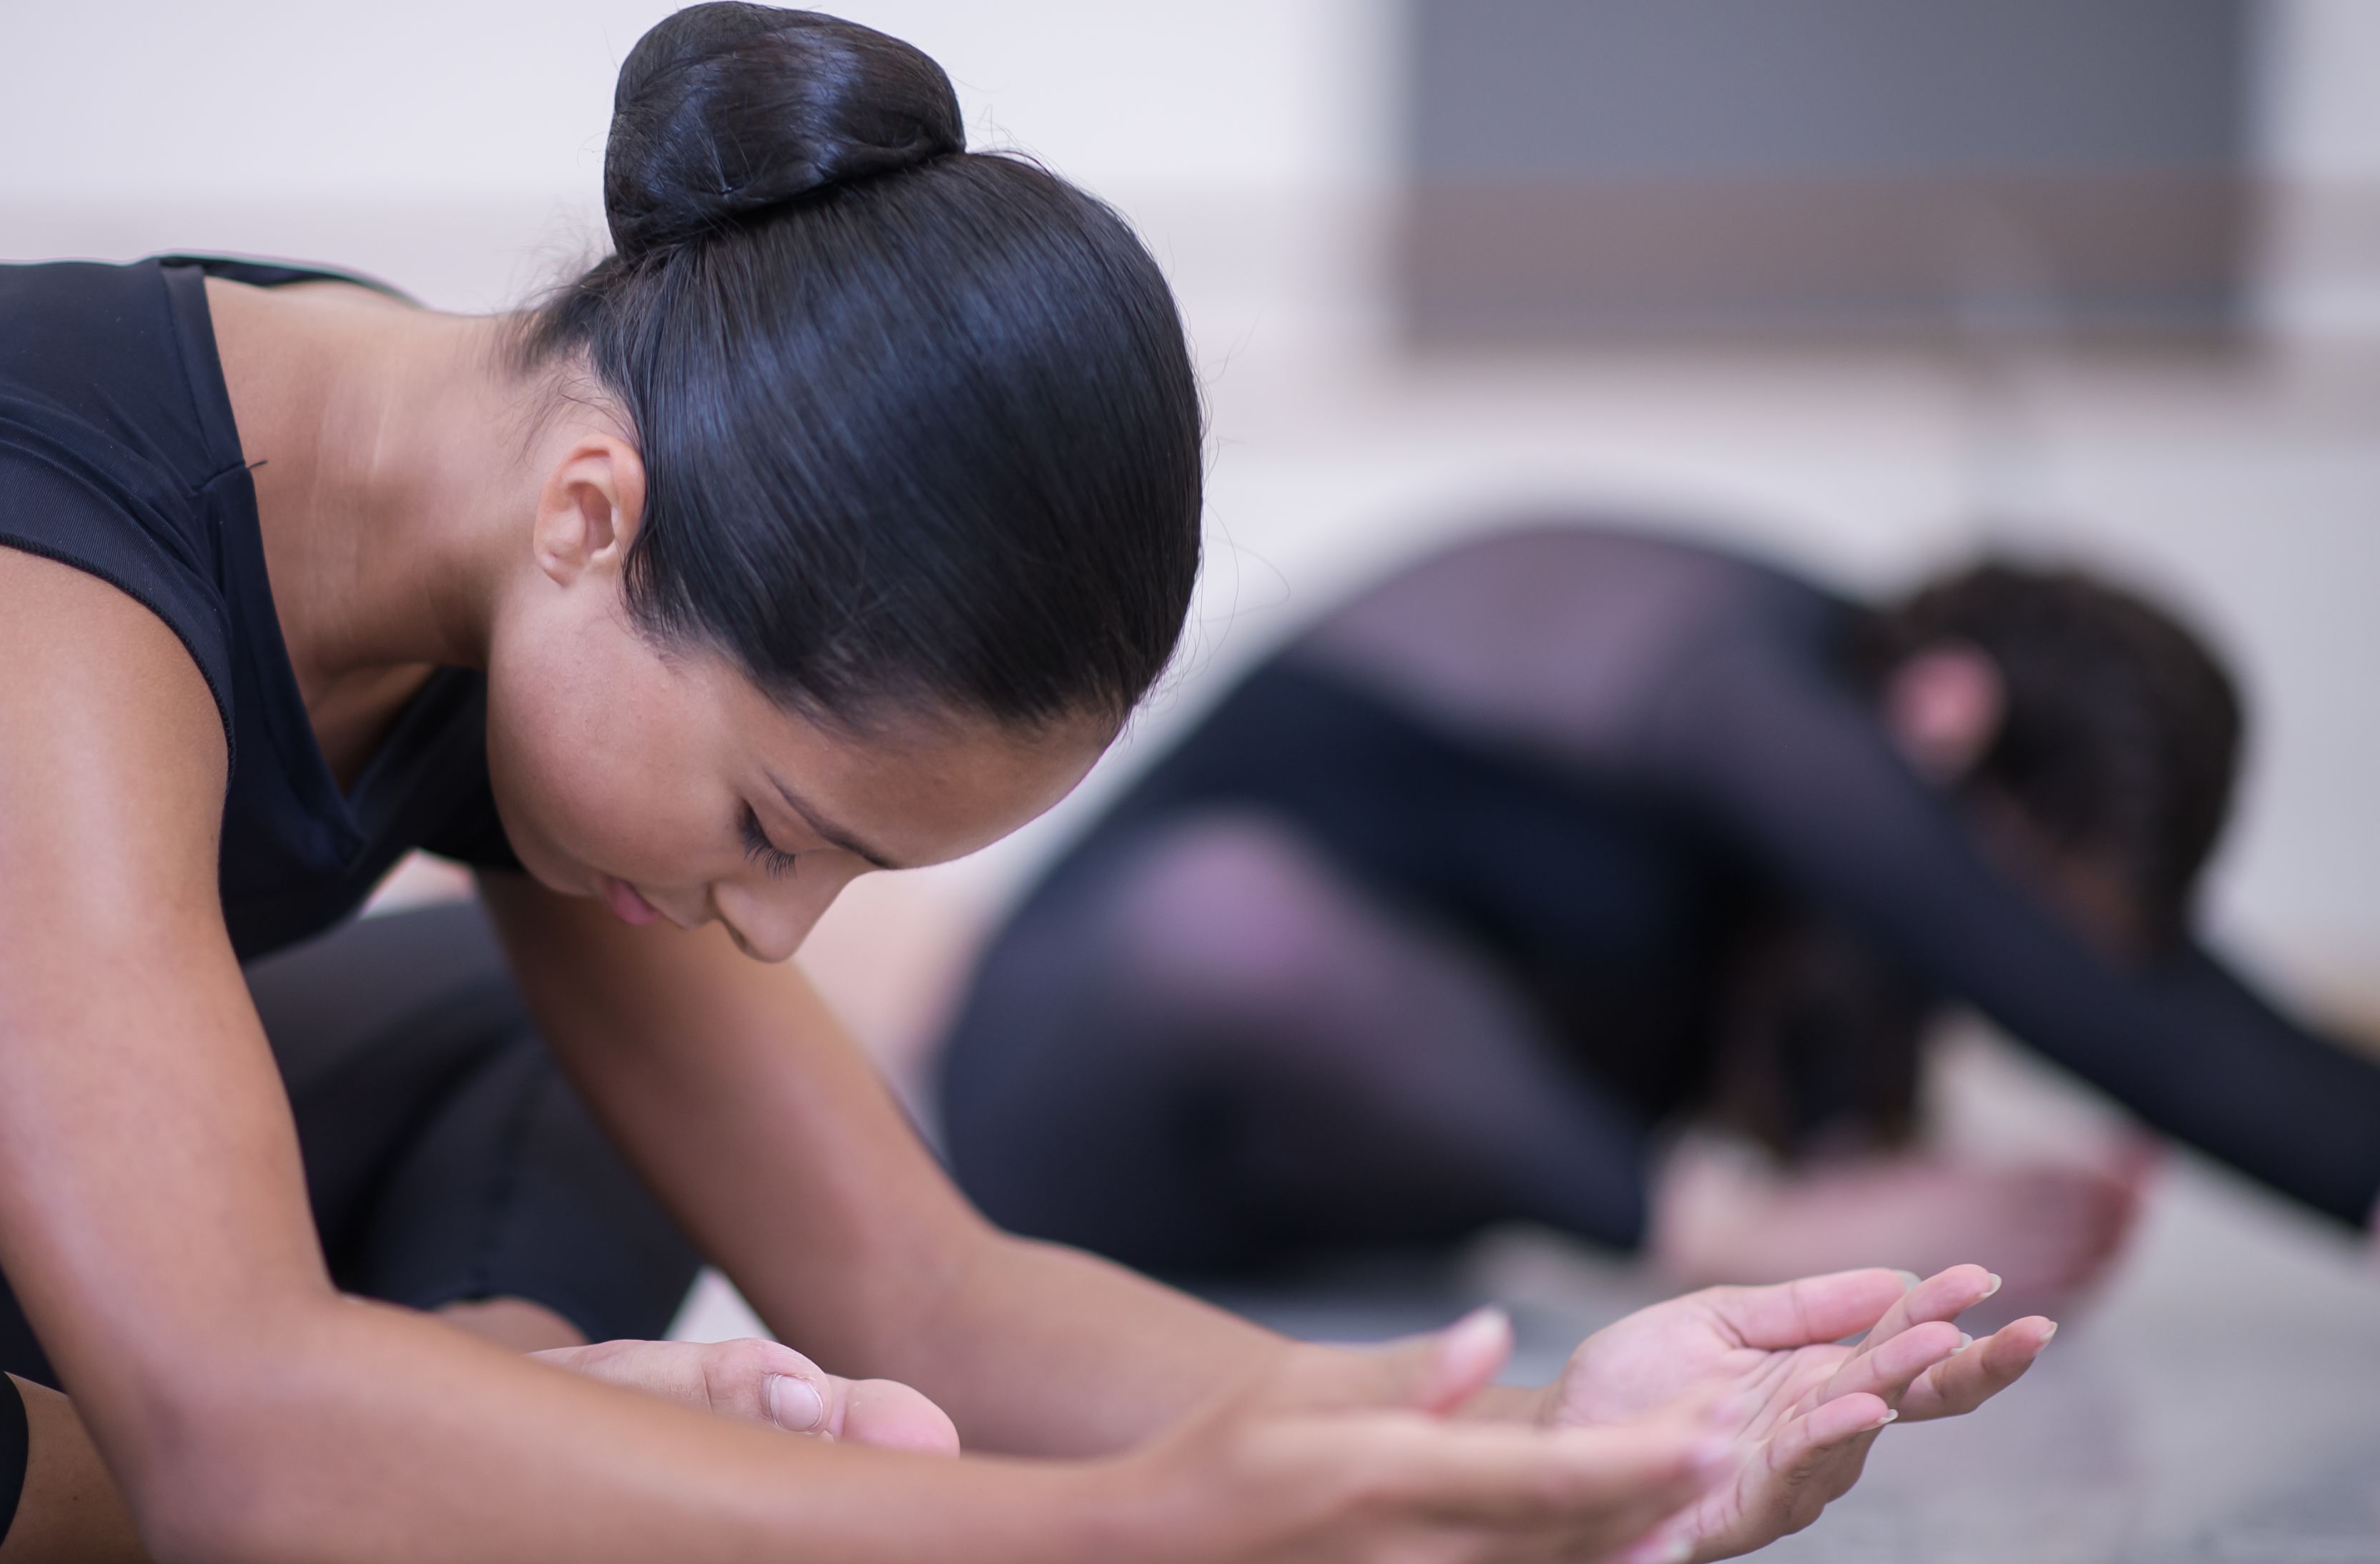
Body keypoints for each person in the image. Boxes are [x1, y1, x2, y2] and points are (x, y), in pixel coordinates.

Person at [0, 6, 2045, 1564]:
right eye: (779, 822)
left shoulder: (501, 526)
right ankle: (203, 1495)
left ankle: (403, 1451)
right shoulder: (16, 547)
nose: (771, 919)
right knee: (163, 1450)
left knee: (532, 1047)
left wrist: (1546, 1455)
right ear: (600, 515)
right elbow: (240, 1406)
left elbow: (920, 1278)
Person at [938, 523, 2380, 1309]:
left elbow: (2106, 966)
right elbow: (2080, 982)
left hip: (1349, 1235)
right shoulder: (1731, 671)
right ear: (1944, 714)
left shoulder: (1815, 870)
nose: (1983, 953)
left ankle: (1707, 1224)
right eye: (2001, 894)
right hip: (1083, 1110)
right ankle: (1698, 1226)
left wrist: (1873, 1186)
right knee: (1232, 917)